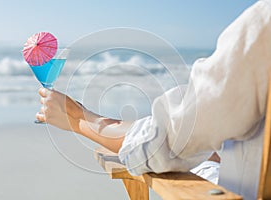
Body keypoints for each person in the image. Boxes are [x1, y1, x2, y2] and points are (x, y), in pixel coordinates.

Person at [36, 1, 271, 199]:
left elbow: (162, 143)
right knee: (204, 151)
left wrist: (78, 120)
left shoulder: (264, 25)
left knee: (182, 149)